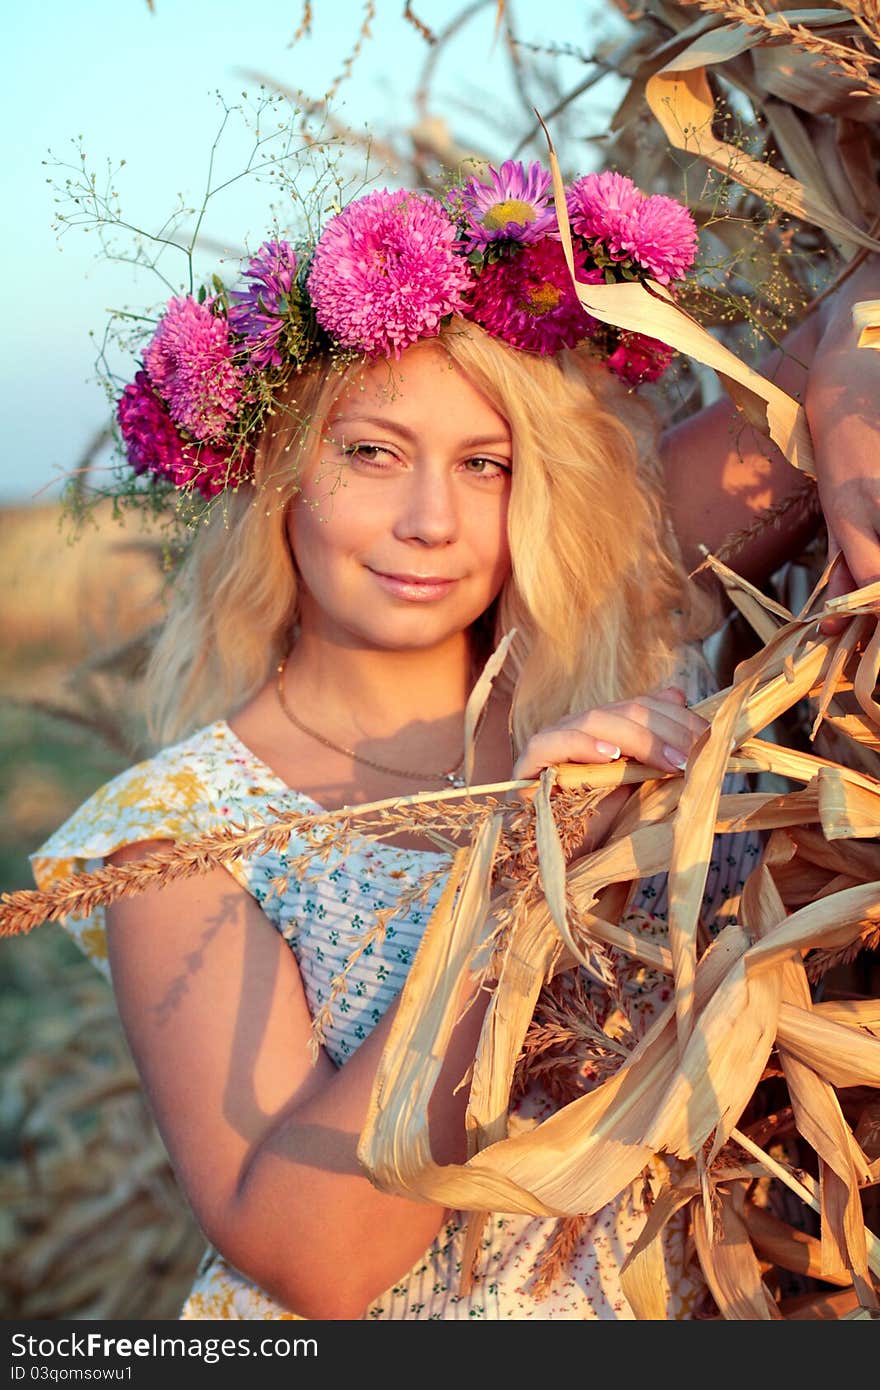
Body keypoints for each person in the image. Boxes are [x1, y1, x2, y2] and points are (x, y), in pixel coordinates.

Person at [30, 161, 880, 1320]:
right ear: (278, 471)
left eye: (485, 465)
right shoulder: (182, 829)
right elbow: (317, 1257)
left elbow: (858, 308)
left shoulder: (617, 645)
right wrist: (534, 870)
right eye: (371, 453)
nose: (430, 520)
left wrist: (854, 466)